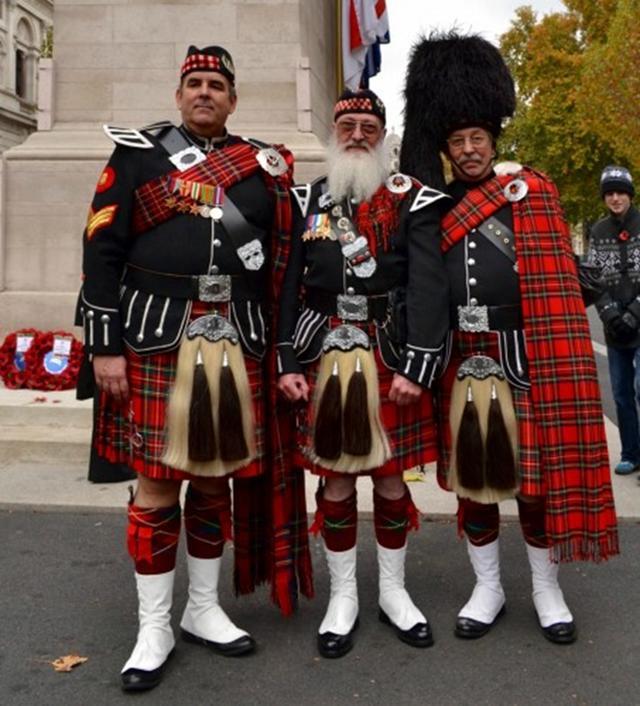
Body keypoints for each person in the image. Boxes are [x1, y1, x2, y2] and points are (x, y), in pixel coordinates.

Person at [76, 45, 311, 692]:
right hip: (154, 340)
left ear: (233, 100)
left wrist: (286, 349)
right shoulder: (137, 153)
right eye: (194, 83)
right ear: (179, 95)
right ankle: (154, 625)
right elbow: (102, 246)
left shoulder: (264, 167)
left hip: (237, 341)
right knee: (156, 482)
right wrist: (104, 345)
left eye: (216, 85)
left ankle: (203, 609)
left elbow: (284, 263)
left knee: (214, 482)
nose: (205, 92)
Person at [401, 32, 619, 645]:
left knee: (534, 481)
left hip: (524, 357)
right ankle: (488, 587)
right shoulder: (435, 208)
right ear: (446, 151)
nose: (468, 151)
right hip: (464, 360)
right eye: (457, 142)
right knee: (476, 482)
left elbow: (556, 276)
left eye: (477, 140)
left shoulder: (532, 192)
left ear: (493, 142)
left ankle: (546, 590)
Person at [276, 89, 449, 657]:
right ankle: (343, 596)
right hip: (324, 351)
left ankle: (394, 593)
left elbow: (427, 286)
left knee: (394, 478)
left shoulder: (410, 201)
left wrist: (418, 365)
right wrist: (288, 360)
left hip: (388, 352)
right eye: (346, 124)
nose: (356, 134)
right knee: (338, 478)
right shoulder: (307, 201)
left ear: (382, 134)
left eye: (367, 126)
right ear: (332, 131)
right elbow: (287, 285)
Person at [586, 166, 640, 476]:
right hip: (614, 324)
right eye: (610, 193)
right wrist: (609, 313)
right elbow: (593, 279)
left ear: (629, 195)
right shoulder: (599, 231)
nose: (615, 198)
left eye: (620, 192)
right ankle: (631, 453)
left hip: (639, 316)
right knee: (620, 392)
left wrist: (634, 313)